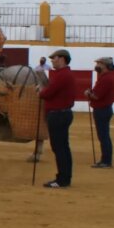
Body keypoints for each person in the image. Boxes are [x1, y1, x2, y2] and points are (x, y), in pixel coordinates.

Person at [39, 49, 77, 188]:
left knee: (59, 148)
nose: (52, 61)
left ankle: (62, 179)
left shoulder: (62, 75)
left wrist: (41, 91)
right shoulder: (64, 74)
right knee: (63, 148)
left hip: (58, 115)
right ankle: (65, 177)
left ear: (62, 59)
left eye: (54, 58)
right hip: (63, 113)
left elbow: (47, 94)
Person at [85, 57, 114, 169]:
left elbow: (96, 96)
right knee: (104, 135)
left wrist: (88, 93)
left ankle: (106, 161)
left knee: (103, 136)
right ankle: (106, 160)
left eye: (99, 63)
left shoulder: (105, 79)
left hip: (102, 110)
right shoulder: (105, 78)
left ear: (105, 65)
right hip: (104, 109)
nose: (97, 65)